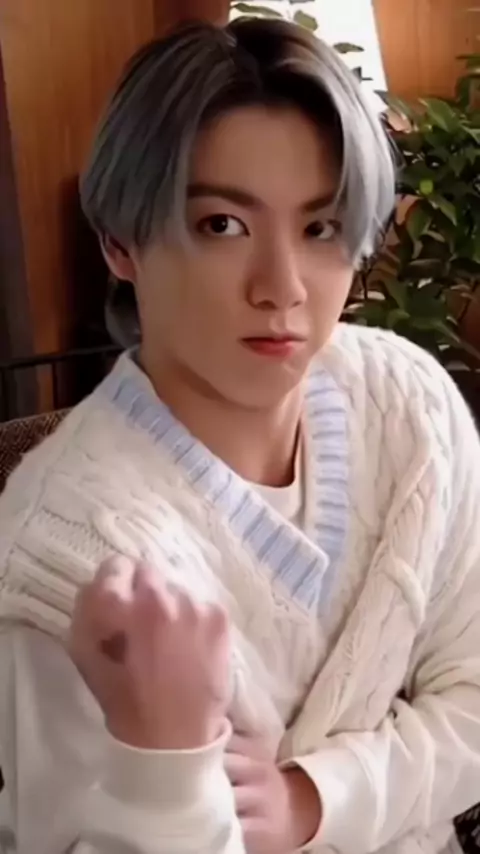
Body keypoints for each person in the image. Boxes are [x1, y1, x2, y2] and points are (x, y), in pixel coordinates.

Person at [0, 14, 480, 854]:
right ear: (120, 241)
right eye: (223, 225)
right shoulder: (63, 552)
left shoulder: (412, 409)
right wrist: (163, 764)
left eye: (320, 228)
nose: (282, 288)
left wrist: (315, 798)